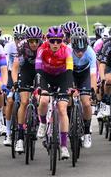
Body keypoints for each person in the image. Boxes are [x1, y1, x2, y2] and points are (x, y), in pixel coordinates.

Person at [36, 26, 74, 160]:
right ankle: (42, 123)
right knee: (44, 100)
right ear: (48, 40)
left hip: (62, 77)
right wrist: (41, 88)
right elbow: (38, 70)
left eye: (58, 41)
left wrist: (69, 87)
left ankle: (63, 146)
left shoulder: (67, 50)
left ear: (62, 41)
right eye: (53, 41)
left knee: (62, 109)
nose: (55, 44)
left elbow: (69, 71)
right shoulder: (42, 49)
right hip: (45, 76)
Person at [13, 26, 42, 153]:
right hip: (26, 71)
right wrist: (15, 82)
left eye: (36, 41)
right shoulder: (22, 47)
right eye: (31, 41)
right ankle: (19, 137)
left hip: (40, 71)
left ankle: (39, 121)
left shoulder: (44, 46)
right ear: (27, 40)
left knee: (40, 98)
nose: (34, 44)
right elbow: (15, 67)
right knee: (24, 102)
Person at [70, 32, 98, 149]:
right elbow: (66, 74)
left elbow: (93, 75)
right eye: (77, 50)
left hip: (85, 75)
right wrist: (72, 87)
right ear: (72, 47)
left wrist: (93, 92)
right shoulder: (67, 52)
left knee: (86, 103)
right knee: (68, 100)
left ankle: (87, 132)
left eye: (83, 50)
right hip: (71, 74)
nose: (80, 53)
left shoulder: (91, 52)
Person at [2, 23, 27, 146]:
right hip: (12, 72)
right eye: (17, 38)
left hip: (26, 73)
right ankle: (7, 132)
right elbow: (6, 64)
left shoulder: (28, 47)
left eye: (22, 38)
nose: (19, 41)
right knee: (10, 100)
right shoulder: (9, 46)